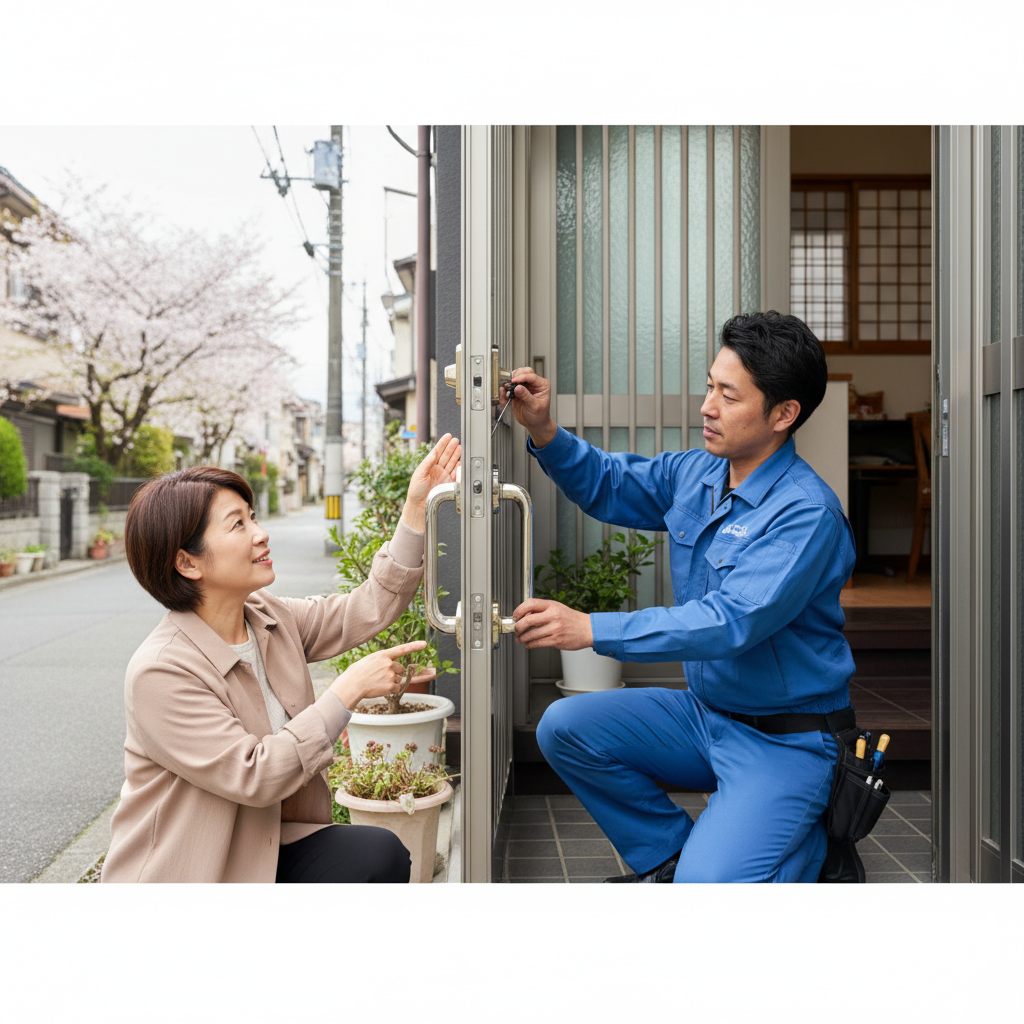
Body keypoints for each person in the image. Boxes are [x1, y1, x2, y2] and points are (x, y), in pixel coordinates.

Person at [508, 311, 862, 883]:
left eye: (728, 394)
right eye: (709, 385)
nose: (707, 406)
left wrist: (592, 629)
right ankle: (672, 856)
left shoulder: (806, 514)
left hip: (786, 741)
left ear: (783, 414)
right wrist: (544, 430)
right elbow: (610, 484)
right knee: (564, 726)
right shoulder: (700, 472)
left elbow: (730, 622)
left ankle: (809, 851)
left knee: (713, 888)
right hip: (706, 718)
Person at [100, 433, 461, 883]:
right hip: (198, 872)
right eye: (237, 525)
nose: (260, 533)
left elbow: (368, 607)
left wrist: (415, 508)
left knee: (379, 854)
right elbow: (257, 775)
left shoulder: (268, 616)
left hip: (269, 842)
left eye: (253, 517)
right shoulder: (161, 671)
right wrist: (345, 692)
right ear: (187, 563)